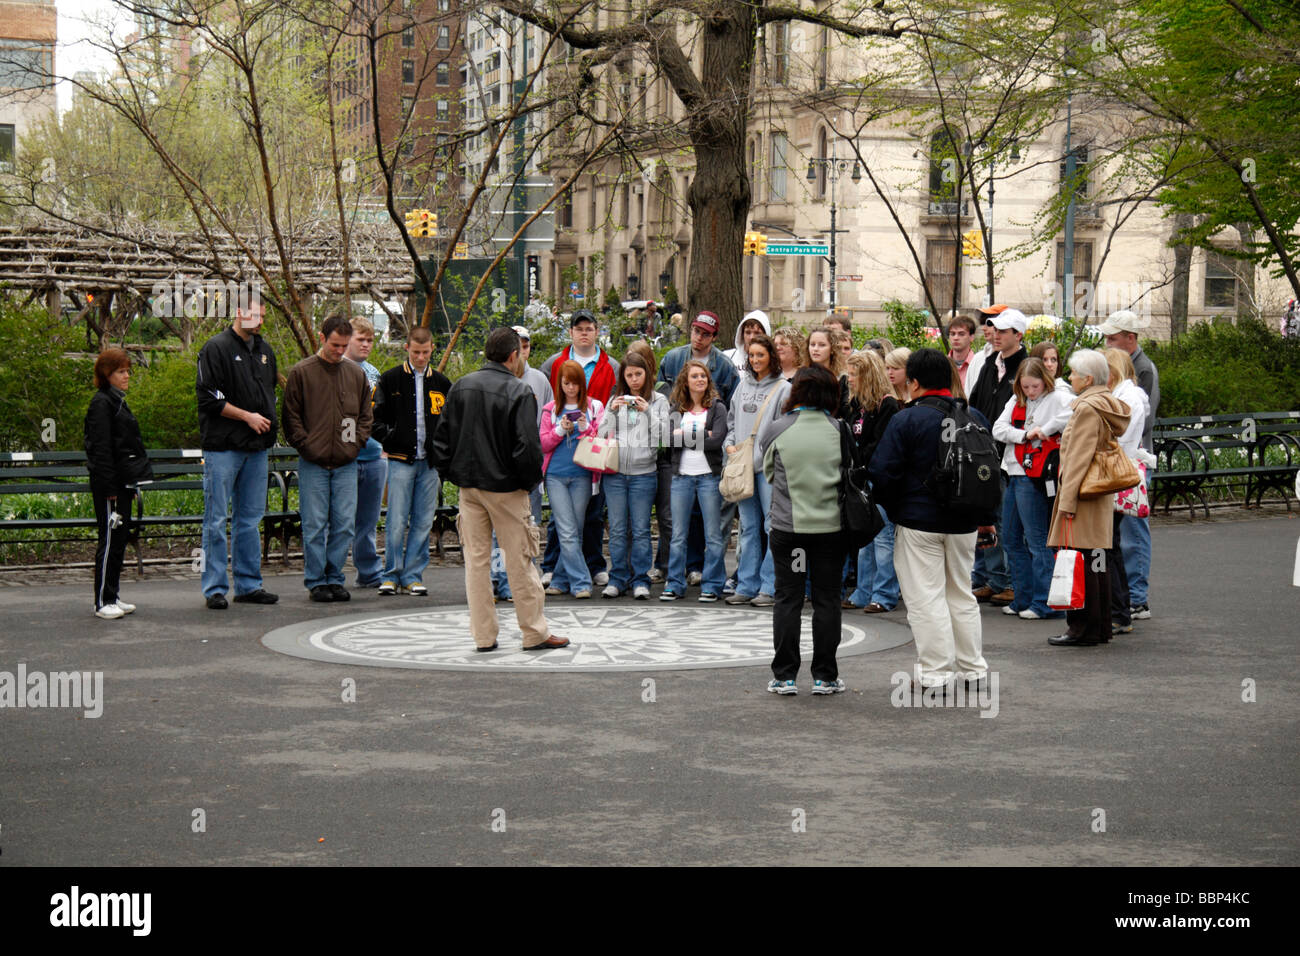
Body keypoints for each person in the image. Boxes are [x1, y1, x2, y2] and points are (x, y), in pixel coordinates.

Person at [431, 327, 568, 651]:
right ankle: (533, 631)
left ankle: (483, 636)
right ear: (513, 356)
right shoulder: (519, 391)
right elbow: (527, 448)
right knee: (520, 559)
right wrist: (527, 483)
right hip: (507, 488)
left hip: (470, 487)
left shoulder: (461, 386)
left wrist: (454, 474)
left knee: (477, 563)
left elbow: (441, 439)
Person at [868, 348, 993, 691]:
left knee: (926, 598)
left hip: (918, 520)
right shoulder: (974, 416)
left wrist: (895, 508)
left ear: (915, 382)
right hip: (965, 521)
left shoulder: (907, 419)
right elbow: (988, 472)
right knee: (961, 594)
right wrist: (986, 517)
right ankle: (973, 668)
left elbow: (882, 472)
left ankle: (937, 672)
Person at [760, 366, 848, 695]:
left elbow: (769, 473)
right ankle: (825, 676)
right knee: (827, 600)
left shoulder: (778, 428)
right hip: (830, 531)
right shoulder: (839, 429)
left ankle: (784, 676)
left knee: (789, 599)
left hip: (789, 531)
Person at [282, 313, 373, 602]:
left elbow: (365, 416)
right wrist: (306, 446)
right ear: (322, 339)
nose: (339, 351)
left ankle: (335, 577)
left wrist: (356, 445)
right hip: (313, 462)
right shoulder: (302, 372)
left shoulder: (356, 374)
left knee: (345, 523)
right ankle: (315, 580)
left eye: (343, 345)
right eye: (335, 345)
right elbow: (291, 416)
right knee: (314, 523)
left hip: (346, 460)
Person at [195, 298, 279, 610]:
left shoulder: (265, 351)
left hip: (256, 449)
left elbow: (269, 391)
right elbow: (208, 397)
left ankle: (248, 584)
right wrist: (247, 416)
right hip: (223, 448)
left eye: (262, 315)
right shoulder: (215, 348)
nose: (258, 320)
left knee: (249, 519)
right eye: (253, 314)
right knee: (215, 520)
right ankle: (214, 587)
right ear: (239, 312)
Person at [1046, 349, 1130, 647]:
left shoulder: (1085, 409)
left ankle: (1080, 628)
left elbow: (1077, 459)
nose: (1069, 378)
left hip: (1081, 495)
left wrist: (1066, 502)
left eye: (1073, 373)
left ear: (1088, 378)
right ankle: (1099, 626)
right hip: (1097, 495)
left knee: (1078, 560)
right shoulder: (1106, 404)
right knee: (1097, 560)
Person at [538, 309, 619, 587]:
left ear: (597, 332)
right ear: (571, 332)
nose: (584, 332)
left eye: (589, 328)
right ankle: (555, 566)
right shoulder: (554, 363)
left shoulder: (611, 366)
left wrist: (590, 426)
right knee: (561, 521)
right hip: (560, 460)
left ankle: (591, 565)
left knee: (591, 515)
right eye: (579, 328)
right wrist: (560, 425)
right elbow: (547, 411)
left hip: (591, 453)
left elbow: (612, 407)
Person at [370, 327, 452, 597]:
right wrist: (390, 439)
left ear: (432, 349)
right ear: (406, 348)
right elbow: (375, 418)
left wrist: (441, 450)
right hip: (400, 459)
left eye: (425, 352)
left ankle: (413, 575)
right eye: (416, 352)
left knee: (423, 520)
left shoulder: (440, 382)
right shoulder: (390, 379)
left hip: (429, 463)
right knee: (395, 519)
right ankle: (391, 574)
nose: (420, 357)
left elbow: (450, 420)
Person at [991, 357, 1072, 621]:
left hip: (1035, 474)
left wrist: (1043, 430)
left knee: (1037, 540)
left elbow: (1071, 414)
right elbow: (998, 429)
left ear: (1044, 381)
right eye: (1025, 387)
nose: (1029, 392)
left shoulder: (1058, 397)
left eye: (1034, 386)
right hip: (1014, 470)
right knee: (1012, 539)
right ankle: (1023, 597)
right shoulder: (1017, 400)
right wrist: (1025, 435)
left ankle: (1044, 601)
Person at [1096, 309, 1159, 621]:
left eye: (1113, 338)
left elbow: (1139, 422)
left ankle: (1136, 597)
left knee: (1133, 530)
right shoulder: (1125, 373)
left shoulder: (1141, 371)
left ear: (1130, 339)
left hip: (1131, 462)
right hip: (1123, 460)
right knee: (1120, 536)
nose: (1108, 343)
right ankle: (1126, 598)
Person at [84, 349, 154, 620]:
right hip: (109, 487)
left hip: (122, 483)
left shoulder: (116, 401)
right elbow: (100, 449)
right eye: (121, 371)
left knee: (120, 539)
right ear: (107, 374)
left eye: (128, 371)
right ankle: (102, 600)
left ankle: (112, 594)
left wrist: (131, 484)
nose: (127, 376)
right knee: (110, 539)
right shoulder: (101, 404)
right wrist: (111, 487)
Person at [967, 306, 1029, 607]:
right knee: (987, 518)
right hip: (984, 454)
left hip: (1010, 456)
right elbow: (975, 403)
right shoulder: (991, 364)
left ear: (1018, 335)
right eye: (996, 331)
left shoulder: (1025, 369)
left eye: (1004, 331)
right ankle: (995, 579)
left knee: (1007, 523)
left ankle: (1011, 582)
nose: (997, 336)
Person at [598, 349, 669, 599]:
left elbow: (665, 437)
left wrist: (647, 411)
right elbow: (601, 435)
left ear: (647, 374)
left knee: (640, 529)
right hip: (615, 474)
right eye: (629, 375)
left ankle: (641, 579)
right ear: (623, 377)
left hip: (644, 473)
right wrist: (612, 412)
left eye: (638, 374)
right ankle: (618, 577)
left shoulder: (659, 400)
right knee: (617, 529)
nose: (634, 380)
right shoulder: (615, 400)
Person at [492, 325, 553, 602]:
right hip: (500, 470)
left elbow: (548, 418)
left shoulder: (539, 379)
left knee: (528, 527)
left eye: (527, 346)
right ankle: (498, 577)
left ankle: (522, 577)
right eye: (518, 347)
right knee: (498, 530)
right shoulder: (493, 382)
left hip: (530, 468)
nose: (522, 353)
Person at [723, 333, 785, 606]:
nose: (755, 359)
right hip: (743, 466)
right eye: (752, 355)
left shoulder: (784, 388)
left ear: (771, 355)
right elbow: (732, 421)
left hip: (769, 469)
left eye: (761, 354)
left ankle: (769, 587)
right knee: (748, 528)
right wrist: (728, 443)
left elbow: (786, 427)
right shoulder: (742, 386)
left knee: (772, 526)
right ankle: (746, 585)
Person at [661, 360, 729, 601]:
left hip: (708, 478)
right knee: (678, 534)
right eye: (694, 376)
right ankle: (674, 583)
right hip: (682, 478)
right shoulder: (676, 408)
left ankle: (712, 584)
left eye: (703, 375)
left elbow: (716, 441)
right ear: (685, 381)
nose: (700, 379)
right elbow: (668, 440)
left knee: (713, 534)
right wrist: (701, 435)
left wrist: (685, 435)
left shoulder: (717, 408)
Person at [539, 361, 606, 599]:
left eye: (575, 383)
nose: (570, 388)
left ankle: (559, 578)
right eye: (566, 383)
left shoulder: (592, 406)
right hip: (556, 475)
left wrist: (584, 427)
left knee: (574, 529)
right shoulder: (550, 409)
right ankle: (581, 582)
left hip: (583, 474)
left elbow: (600, 438)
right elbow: (544, 443)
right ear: (560, 383)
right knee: (566, 530)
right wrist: (560, 430)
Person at [842, 350, 902, 614]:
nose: (849, 379)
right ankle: (863, 591)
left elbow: (880, 445)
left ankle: (885, 594)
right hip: (859, 481)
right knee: (864, 540)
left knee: (883, 539)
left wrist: (861, 463)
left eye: (854, 375)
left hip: (879, 481)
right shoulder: (857, 404)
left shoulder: (887, 405)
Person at [1104, 346, 1149, 635]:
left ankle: (1120, 610)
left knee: (1111, 544)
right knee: (1112, 544)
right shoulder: (1128, 394)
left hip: (1117, 472)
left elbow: (1118, 436)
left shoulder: (1128, 396)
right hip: (1120, 469)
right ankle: (1119, 609)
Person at [344, 317, 386, 589]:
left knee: (368, 521)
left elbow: (381, 414)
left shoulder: (374, 373)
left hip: (374, 456)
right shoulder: (335, 368)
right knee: (340, 521)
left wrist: (385, 448)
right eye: (361, 339)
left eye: (370, 340)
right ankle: (330, 573)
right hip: (345, 457)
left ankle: (369, 572)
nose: (366, 344)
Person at [657, 310, 740, 405]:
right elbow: (660, 399)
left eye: (706, 334)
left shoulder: (725, 366)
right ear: (691, 329)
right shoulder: (672, 359)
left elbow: (733, 406)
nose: (699, 337)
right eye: (697, 331)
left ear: (714, 337)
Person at [805, 326, 850, 414]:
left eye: (822, 345)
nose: (815, 349)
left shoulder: (843, 379)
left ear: (832, 349)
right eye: (812, 344)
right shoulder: (801, 377)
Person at [947, 314, 984, 392]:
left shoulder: (980, 365)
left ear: (971, 337)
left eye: (961, 334)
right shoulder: (941, 364)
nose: (956, 338)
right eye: (952, 334)